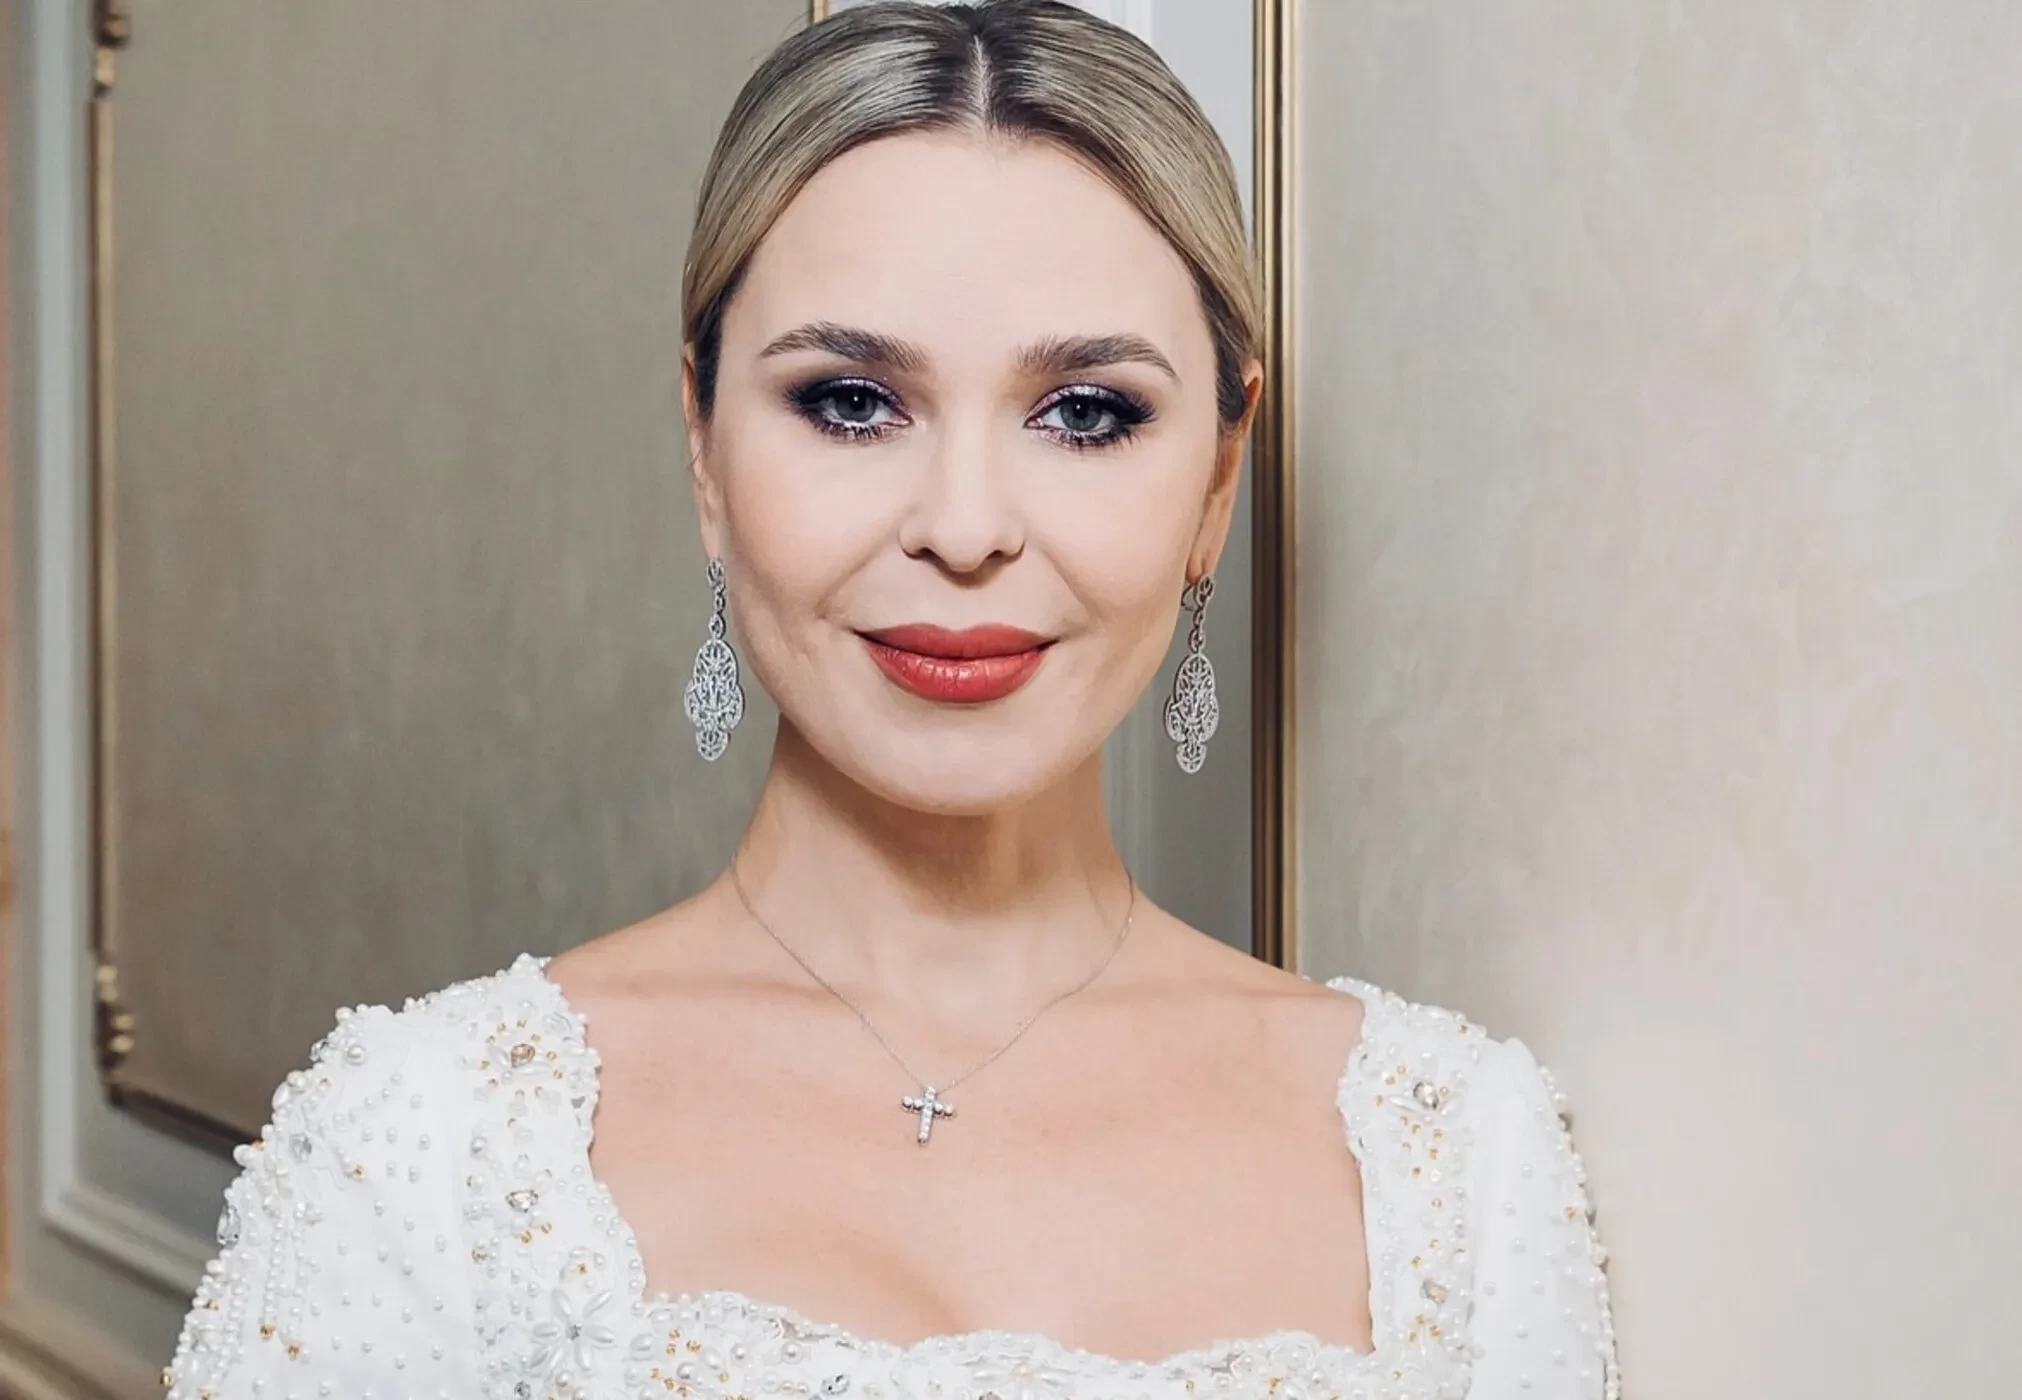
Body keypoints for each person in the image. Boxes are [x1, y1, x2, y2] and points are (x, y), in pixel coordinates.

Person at [162, 3, 1618, 1397]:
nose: (965, 527)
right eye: (852, 402)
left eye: (1086, 413)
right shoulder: (421, 1143)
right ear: (702, 448)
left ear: (1215, 484)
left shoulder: (1453, 1155)